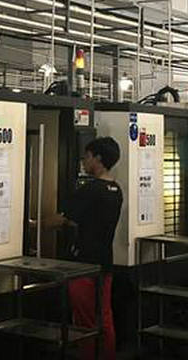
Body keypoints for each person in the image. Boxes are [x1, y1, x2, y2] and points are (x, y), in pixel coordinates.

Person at [49, 136, 123, 360]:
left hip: (83, 265)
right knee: (105, 317)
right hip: (105, 263)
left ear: (97, 158)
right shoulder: (116, 190)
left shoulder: (91, 190)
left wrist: (31, 224)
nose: (83, 161)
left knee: (85, 321)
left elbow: (65, 219)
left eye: (87, 156)